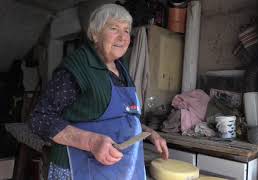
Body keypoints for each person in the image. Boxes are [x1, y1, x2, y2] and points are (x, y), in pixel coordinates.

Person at [29, 4, 169, 180]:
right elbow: (40, 119)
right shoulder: (76, 68)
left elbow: (125, 117)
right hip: (80, 168)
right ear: (95, 34)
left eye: (126, 30)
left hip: (120, 169)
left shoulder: (121, 68)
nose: (122, 37)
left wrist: (149, 133)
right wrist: (91, 142)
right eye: (114, 28)